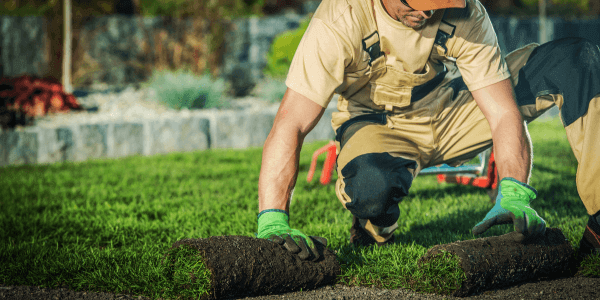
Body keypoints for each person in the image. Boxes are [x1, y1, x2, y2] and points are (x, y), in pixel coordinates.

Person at [255, 0, 600, 261]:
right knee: (371, 189)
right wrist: (273, 218)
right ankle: (376, 223)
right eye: (415, 5)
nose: (425, 14)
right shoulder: (339, 18)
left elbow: (501, 112)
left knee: (575, 59)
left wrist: (513, 191)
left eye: (438, 5)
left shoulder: (468, 13)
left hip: (448, 106)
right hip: (377, 122)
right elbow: (292, 121)